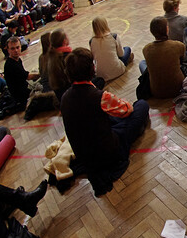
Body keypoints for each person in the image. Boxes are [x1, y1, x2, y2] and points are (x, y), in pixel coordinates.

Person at [60, 48, 149, 195]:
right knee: (141, 105)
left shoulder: (65, 98)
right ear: (92, 68)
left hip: (85, 155)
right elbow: (127, 109)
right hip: (109, 152)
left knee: (109, 116)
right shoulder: (99, 96)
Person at [140, 16, 186, 99]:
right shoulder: (178, 45)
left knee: (142, 63)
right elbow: (182, 62)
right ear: (167, 30)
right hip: (178, 88)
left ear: (151, 31)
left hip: (156, 92)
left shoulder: (146, 49)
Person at [90, 16, 131, 81]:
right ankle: (124, 61)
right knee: (127, 49)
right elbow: (121, 54)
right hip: (117, 71)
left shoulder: (91, 41)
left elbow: (94, 58)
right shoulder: (114, 36)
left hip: (101, 75)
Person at [3, 36, 39, 107]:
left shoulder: (17, 60)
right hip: (21, 95)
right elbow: (28, 77)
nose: (16, 50)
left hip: (23, 86)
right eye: (12, 48)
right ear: (8, 50)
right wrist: (43, 74)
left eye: (17, 47)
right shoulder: (11, 64)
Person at [46, 29, 72, 102]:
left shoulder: (51, 57)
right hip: (71, 94)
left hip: (61, 97)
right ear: (64, 41)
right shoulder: (67, 56)